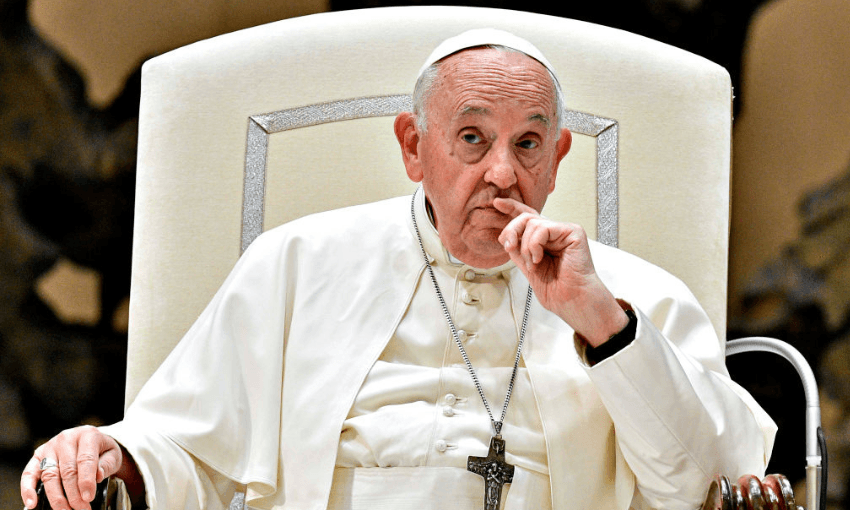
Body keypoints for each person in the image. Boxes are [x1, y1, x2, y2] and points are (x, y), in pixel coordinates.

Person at [21, 29, 776, 510]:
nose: (503, 175)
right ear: (414, 146)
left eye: (528, 144)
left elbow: (710, 485)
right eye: (472, 140)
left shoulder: (635, 297)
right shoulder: (298, 262)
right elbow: (190, 451)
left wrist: (602, 325)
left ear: (559, 157)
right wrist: (114, 457)